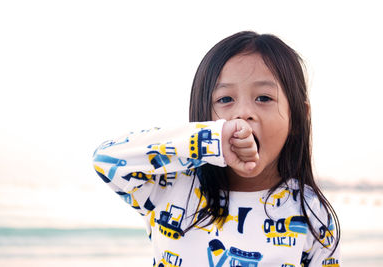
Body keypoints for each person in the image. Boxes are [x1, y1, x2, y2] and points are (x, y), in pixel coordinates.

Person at [93, 31, 341, 266]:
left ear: (298, 118)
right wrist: (211, 140)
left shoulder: (312, 213)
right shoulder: (170, 186)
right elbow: (106, 159)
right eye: (225, 99)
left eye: (264, 98)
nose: (243, 113)